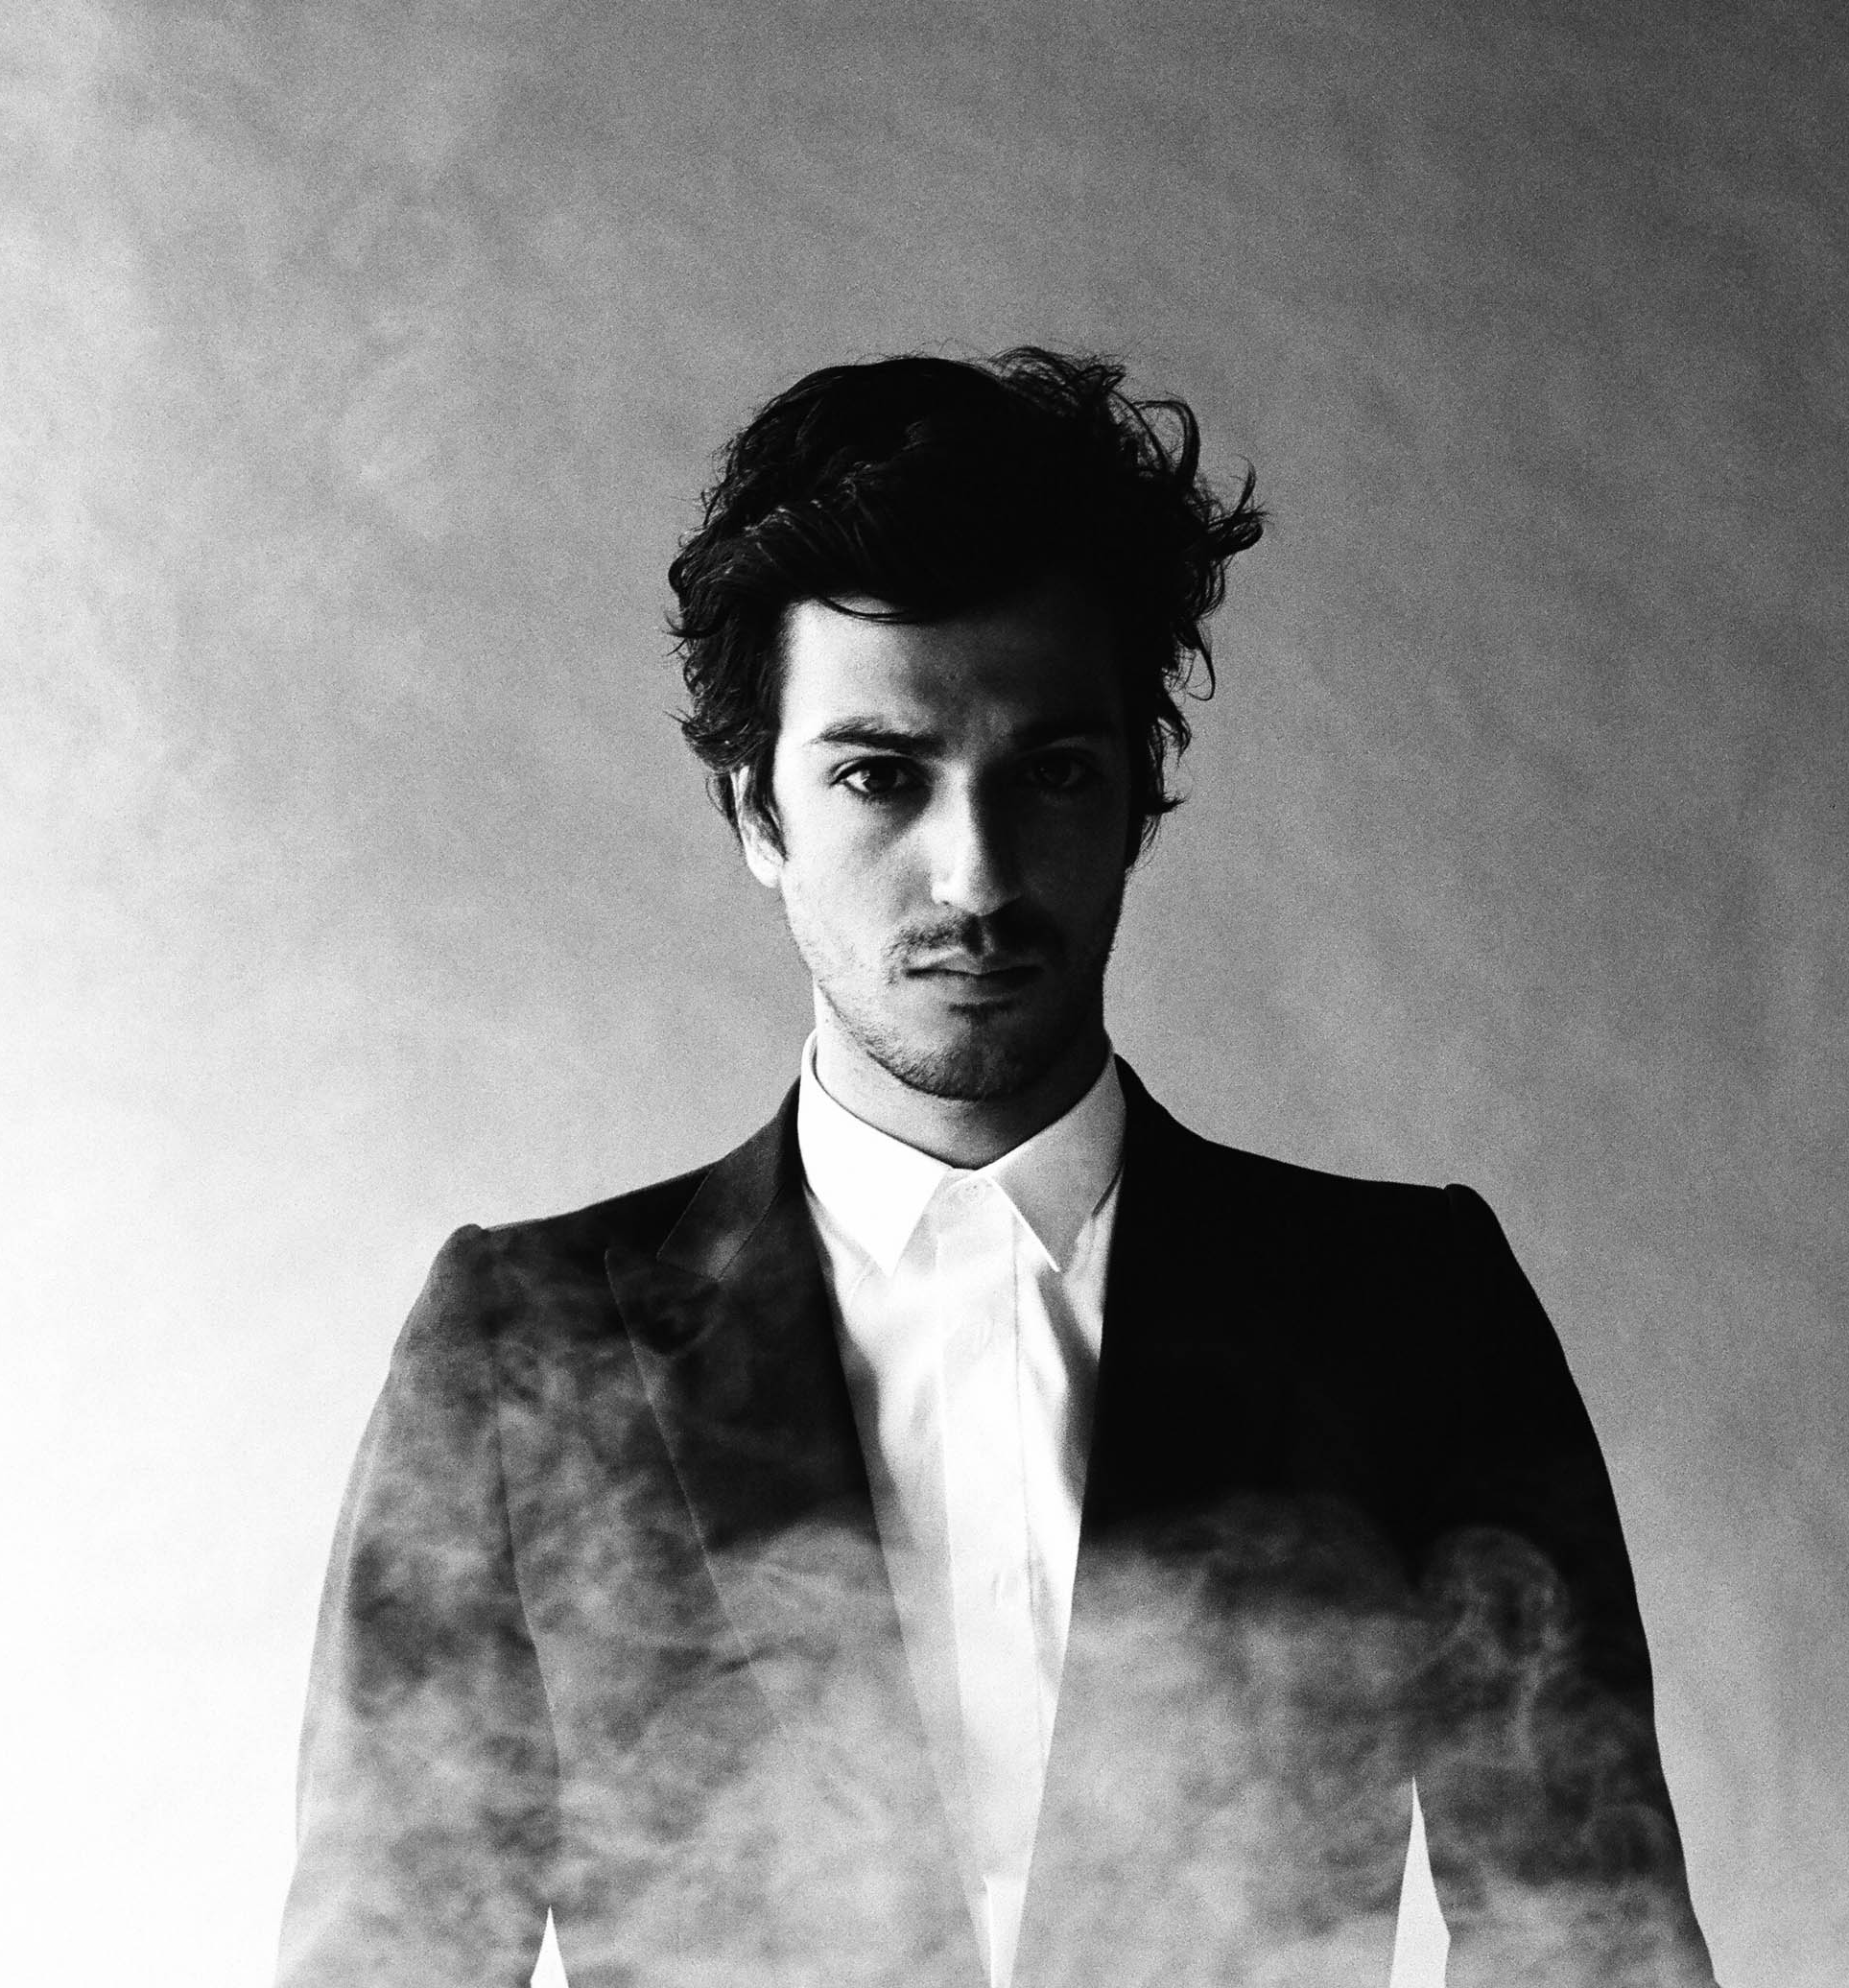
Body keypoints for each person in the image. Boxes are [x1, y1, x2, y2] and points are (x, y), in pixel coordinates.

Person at [276, 349, 1712, 1988]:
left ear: (1139, 798)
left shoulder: (1407, 1312)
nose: (974, 875)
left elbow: (1593, 1949)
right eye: (879, 775)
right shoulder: (523, 1342)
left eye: (1050, 771)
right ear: (756, 814)